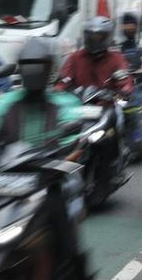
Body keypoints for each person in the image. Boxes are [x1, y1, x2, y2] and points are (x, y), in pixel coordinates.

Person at [0, 38, 90, 280]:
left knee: (66, 228)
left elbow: (74, 141)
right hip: (9, 179)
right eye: (28, 64)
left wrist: (64, 155)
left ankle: (74, 276)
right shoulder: (3, 104)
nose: (33, 71)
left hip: (51, 177)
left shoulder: (65, 103)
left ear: (50, 68)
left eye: (39, 65)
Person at [56, 16, 134, 205]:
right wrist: (58, 91)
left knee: (115, 129)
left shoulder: (116, 58)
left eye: (99, 36)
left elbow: (124, 80)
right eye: (91, 36)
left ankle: (119, 159)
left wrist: (123, 90)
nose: (95, 40)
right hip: (78, 108)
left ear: (107, 38)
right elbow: (63, 80)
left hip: (106, 107)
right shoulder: (75, 57)